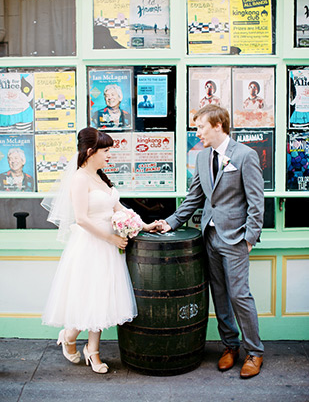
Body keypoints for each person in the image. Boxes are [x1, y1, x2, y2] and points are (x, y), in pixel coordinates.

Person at [156, 104, 265, 379]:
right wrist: (170, 222)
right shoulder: (202, 158)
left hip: (236, 238)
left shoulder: (245, 155)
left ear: (218, 125)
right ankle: (230, 346)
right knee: (219, 295)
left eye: (201, 127)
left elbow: (256, 202)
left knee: (239, 295)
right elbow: (194, 198)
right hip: (210, 237)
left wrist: (249, 238)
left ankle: (255, 352)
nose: (197, 132)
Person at [41, 127, 156, 374]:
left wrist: (145, 224)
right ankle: (70, 336)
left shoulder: (100, 177)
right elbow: (81, 218)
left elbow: (118, 207)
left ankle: (92, 351)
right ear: (91, 151)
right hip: (91, 245)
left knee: (102, 298)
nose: (109, 155)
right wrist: (111, 239)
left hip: (108, 246)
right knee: (90, 297)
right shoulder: (80, 179)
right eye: (106, 151)